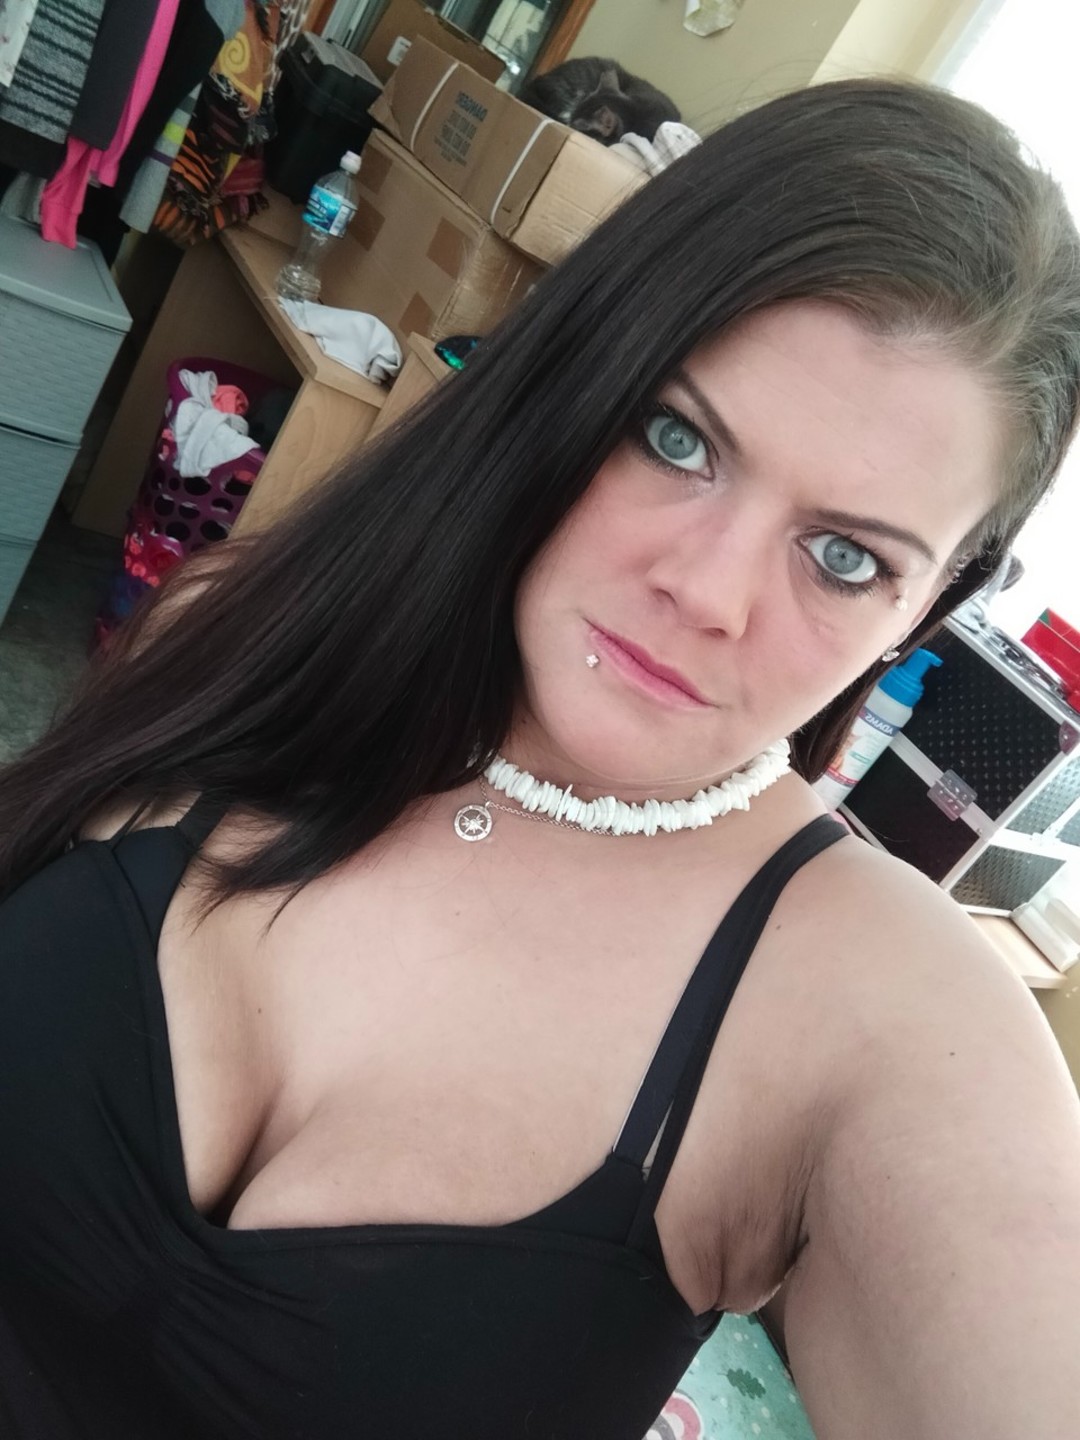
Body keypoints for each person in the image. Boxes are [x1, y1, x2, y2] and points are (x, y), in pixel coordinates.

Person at [1, 77, 1079, 1440]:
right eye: (679, 439)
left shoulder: (884, 1015)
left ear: (921, 612)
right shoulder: (248, 628)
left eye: (847, 558)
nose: (710, 593)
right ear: (578, 374)